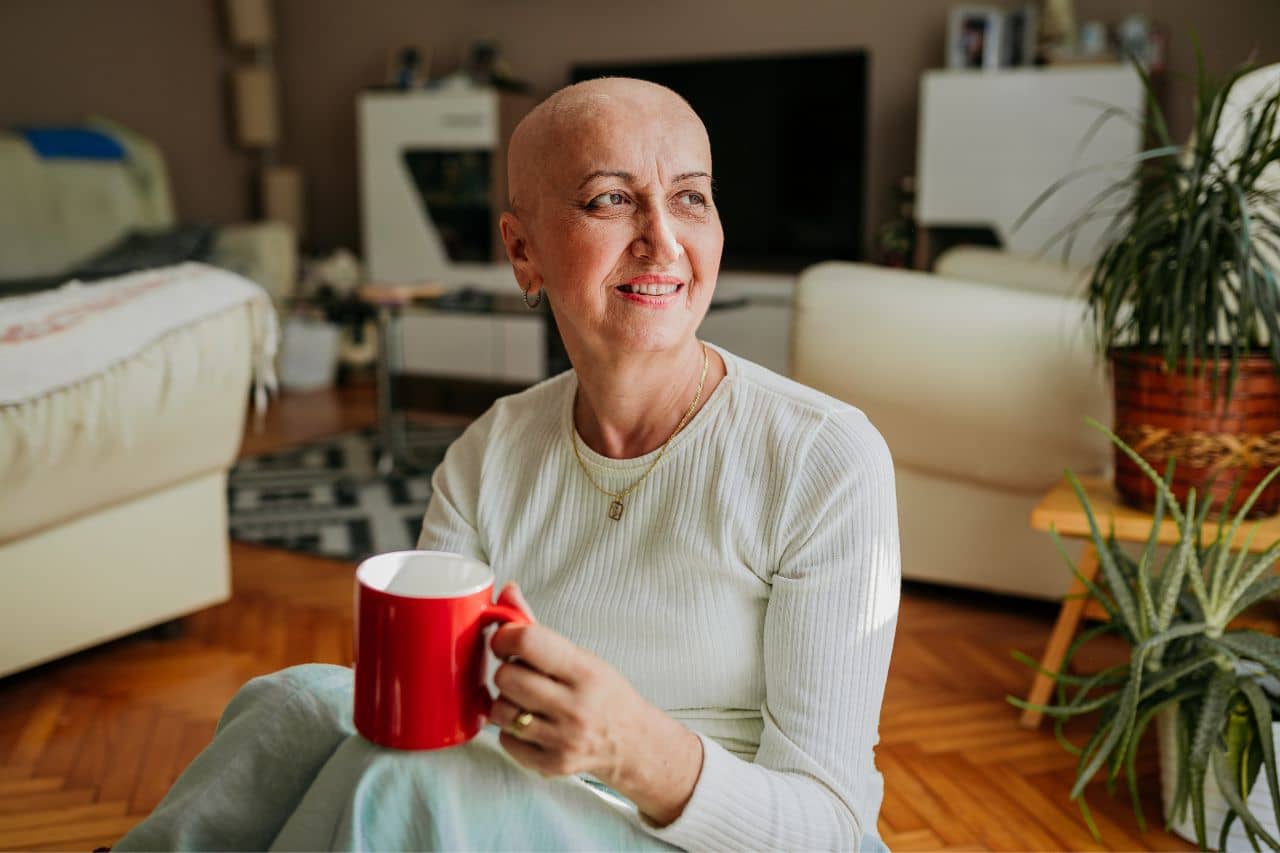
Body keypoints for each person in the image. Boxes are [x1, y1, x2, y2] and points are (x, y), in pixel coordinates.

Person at [116, 77, 900, 852]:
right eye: (610, 199)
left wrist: (634, 747)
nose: (664, 239)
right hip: (531, 783)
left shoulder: (822, 458)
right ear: (523, 251)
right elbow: (434, 704)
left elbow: (832, 826)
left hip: (717, 832)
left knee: (402, 785)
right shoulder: (492, 450)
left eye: (691, 197)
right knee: (293, 701)